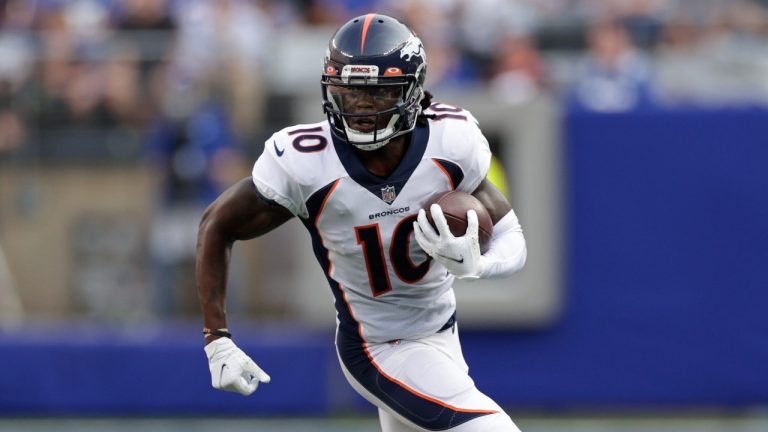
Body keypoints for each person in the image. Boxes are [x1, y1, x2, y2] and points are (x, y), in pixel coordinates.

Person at [196, 13, 527, 432]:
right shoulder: (304, 160)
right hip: (375, 346)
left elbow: (511, 236)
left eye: (378, 93)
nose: (362, 108)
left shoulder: (452, 140)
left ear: (412, 92)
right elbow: (216, 224)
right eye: (350, 93)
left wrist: (479, 265)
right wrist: (216, 339)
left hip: (443, 332)